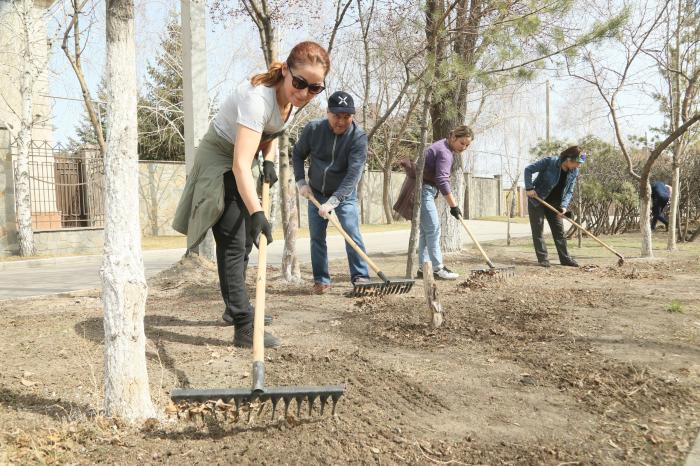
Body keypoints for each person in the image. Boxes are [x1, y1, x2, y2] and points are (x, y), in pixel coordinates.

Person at [172, 42, 330, 348]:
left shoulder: (292, 102)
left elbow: (269, 131)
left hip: (243, 158)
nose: (304, 92)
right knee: (233, 239)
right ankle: (244, 324)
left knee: (244, 240)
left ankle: (235, 307)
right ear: (285, 71)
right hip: (221, 158)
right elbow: (240, 165)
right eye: (299, 83)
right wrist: (258, 212)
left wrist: (268, 159)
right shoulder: (256, 99)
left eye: (314, 88)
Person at [293, 91, 371, 294]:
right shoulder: (314, 129)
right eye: (337, 115)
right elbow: (298, 154)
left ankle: (361, 277)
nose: (341, 121)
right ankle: (321, 280)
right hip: (316, 192)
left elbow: (354, 174)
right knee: (317, 237)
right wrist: (301, 182)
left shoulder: (358, 137)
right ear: (327, 112)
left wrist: (335, 200)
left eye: (347, 116)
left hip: (344, 194)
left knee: (351, 233)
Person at [415, 126, 474, 281]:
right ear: (454, 137)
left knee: (426, 232)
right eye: (462, 143)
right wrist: (454, 206)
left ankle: (424, 268)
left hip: (423, 189)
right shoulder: (445, 152)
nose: (464, 148)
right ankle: (437, 269)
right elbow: (442, 181)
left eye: (467, 145)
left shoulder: (443, 145)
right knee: (433, 229)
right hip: (424, 190)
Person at [524, 146, 585, 268]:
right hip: (538, 200)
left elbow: (569, 191)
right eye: (577, 163)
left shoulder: (574, 171)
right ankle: (543, 258)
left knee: (559, 232)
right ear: (568, 159)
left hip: (555, 204)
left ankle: (565, 259)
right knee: (538, 230)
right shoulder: (550, 162)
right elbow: (528, 170)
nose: (578, 166)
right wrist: (529, 188)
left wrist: (563, 206)